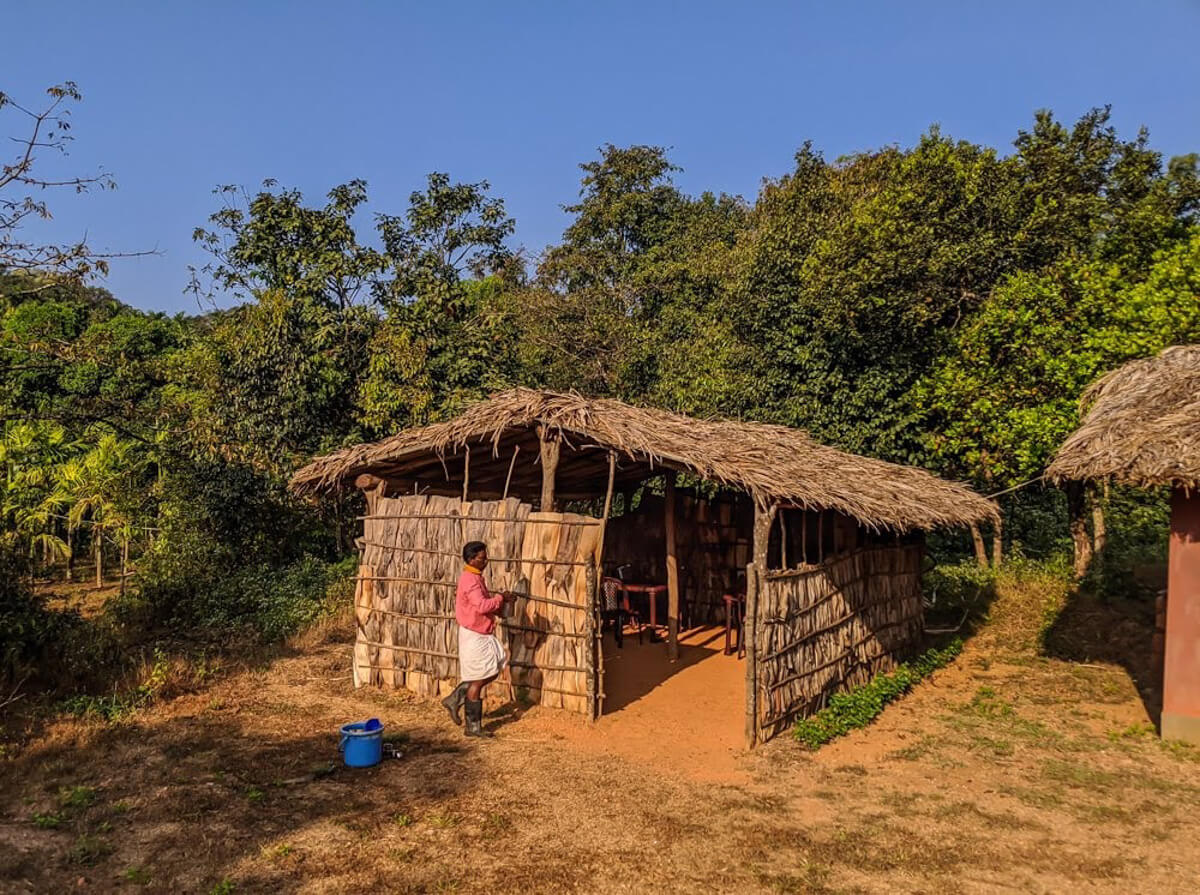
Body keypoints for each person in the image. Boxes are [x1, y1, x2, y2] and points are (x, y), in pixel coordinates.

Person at [441, 541, 514, 737]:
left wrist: (499, 603)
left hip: (480, 632)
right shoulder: (470, 580)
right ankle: (472, 727)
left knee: (493, 668)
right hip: (474, 633)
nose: (486, 561)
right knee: (478, 679)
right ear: (472, 559)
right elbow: (481, 606)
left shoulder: (474, 577)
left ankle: (455, 698)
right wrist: (500, 598)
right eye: (482, 558)